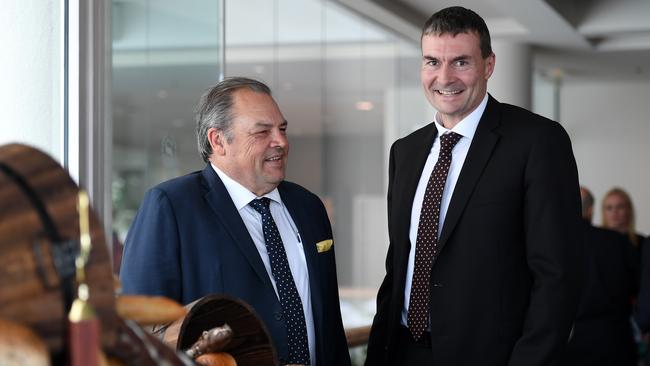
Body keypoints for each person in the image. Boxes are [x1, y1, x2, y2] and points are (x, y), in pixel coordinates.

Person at [365, 6, 582, 366]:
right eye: (432, 61)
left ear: (489, 65)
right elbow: (399, 266)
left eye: (461, 62)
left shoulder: (538, 141)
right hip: (403, 353)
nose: (444, 77)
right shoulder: (404, 152)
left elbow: (558, 277)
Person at [120, 77, 351, 366]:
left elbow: (329, 322)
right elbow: (140, 332)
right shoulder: (172, 206)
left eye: (282, 129)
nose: (280, 141)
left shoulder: (308, 207)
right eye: (262, 131)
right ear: (218, 140)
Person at [558, 187, 637, 366]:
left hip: (571, 341)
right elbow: (636, 287)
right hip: (617, 339)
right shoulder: (618, 242)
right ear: (591, 209)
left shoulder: (555, 247)